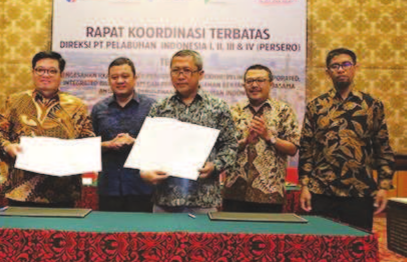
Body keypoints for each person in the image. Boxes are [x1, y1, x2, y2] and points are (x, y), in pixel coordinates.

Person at [299, 48, 395, 231]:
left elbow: (382, 146)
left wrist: (383, 186)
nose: (341, 69)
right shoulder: (316, 106)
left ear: (355, 68)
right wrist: (304, 185)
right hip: (321, 190)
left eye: (346, 64)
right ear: (328, 72)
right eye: (335, 66)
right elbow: (306, 148)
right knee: (320, 244)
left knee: (357, 244)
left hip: (359, 191)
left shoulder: (371, 105)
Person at [0, 51, 94, 208]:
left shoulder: (76, 106)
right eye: (40, 70)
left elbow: (87, 142)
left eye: (52, 71)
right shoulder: (15, 102)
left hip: (63, 192)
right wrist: (7, 146)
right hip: (20, 190)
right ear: (33, 72)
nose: (45, 75)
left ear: (61, 75)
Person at [141, 50, 237, 214]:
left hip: (203, 199)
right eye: (175, 71)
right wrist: (145, 172)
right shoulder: (160, 108)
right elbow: (147, 148)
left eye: (186, 70)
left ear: (200, 74)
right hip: (165, 199)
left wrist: (215, 165)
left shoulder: (217, 107)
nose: (180, 76)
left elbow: (230, 145)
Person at [223, 64, 300, 213]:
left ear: (271, 84)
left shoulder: (283, 111)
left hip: (270, 194)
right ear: (244, 85)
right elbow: (224, 149)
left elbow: (293, 149)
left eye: (260, 80)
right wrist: (245, 141)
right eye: (250, 81)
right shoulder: (233, 111)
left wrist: (269, 137)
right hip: (234, 193)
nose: (254, 85)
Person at [91, 57, 155, 212]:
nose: (120, 81)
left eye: (125, 76)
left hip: (142, 188)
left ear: (135, 78)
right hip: (109, 188)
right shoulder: (99, 109)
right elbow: (89, 147)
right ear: (109, 80)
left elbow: (160, 147)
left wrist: (135, 142)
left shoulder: (152, 107)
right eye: (114, 77)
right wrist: (108, 145)